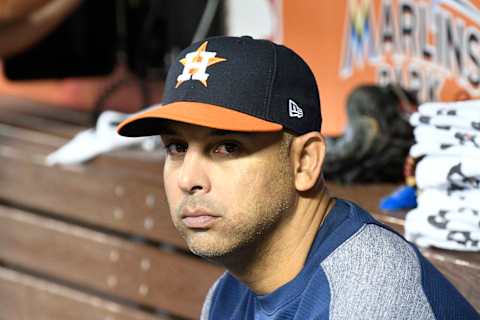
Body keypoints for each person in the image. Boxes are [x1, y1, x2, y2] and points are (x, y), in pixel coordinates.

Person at [116, 36, 478, 319]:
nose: (188, 180)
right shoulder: (229, 293)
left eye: (226, 147)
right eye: (177, 148)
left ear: (305, 161)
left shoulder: (364, 295)